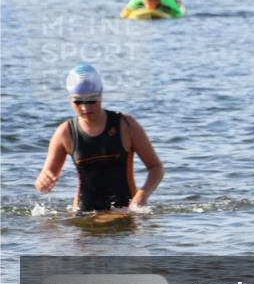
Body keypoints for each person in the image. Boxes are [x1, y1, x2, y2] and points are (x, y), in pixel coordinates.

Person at [34, 64, 164, 213]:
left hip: (125, 212)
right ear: (70, 100)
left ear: (101, 96)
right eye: (78, 101)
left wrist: (141, 196)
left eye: (91, 101)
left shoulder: (126, 126)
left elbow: (156, 168)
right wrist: (42, 183)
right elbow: (43, 181)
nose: (85, 108)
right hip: (83, 214)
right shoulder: (65, 133)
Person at [120, 0, 185, 18]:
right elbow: (126, 9)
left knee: (175, 0)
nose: (149, 6)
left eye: (151, 3)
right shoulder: (137, 0)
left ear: (157, 1)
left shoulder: (167, 1)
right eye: (147, 3)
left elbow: (179, 13)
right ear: (144, 2)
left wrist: (175, 14)